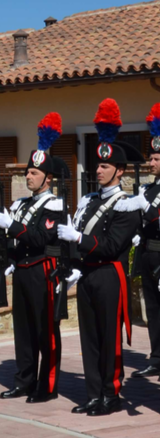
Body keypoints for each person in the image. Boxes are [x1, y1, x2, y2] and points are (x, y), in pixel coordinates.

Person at [58, 99, 143, 416]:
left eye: (105, 166)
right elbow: (79, 238)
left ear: (119, 171)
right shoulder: (89, 201)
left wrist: (78, 238)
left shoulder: (128, 205)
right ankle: (94, 394)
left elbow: (109, 245)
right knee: (89, 337)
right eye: (97, 165)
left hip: (110, 275)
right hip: (88, 275)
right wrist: (73, 265)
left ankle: (112, 394)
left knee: (109, 338)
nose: (98, 169)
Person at [0, 112, 65, 403]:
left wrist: (12, 226)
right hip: (22, 271)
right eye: (28, 172)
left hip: (41, 271)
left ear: (48, 178)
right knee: (22, 330)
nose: (28, 176)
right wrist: (6, 257)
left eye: (34, 173)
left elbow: (38, 239)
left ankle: (46, 386)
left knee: (44, 330)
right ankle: (24, 380)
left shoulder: (55, 205)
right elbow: (16, 240)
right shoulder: (20, 204)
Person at [133, 103, 160, 378]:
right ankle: (156, 357)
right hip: (148, 255)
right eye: (150, 158)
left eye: (156, 158)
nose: (150, 163)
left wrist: (147, 210)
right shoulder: (148, 188)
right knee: (151, 309)